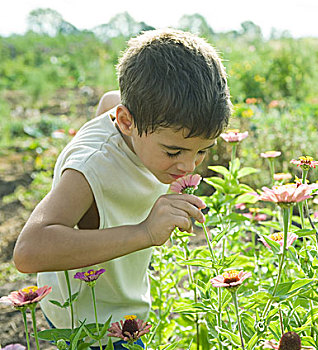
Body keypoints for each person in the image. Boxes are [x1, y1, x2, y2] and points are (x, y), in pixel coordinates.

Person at [13, 28, 231, 348]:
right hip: (90, 322)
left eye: (202, 150)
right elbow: (28, 252)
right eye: (173, 152)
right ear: (126, 122)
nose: (188, 166)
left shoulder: (128, 114)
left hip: (117, 302)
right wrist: (145, 232)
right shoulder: (90, 170)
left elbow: (109, 101)